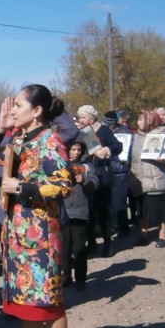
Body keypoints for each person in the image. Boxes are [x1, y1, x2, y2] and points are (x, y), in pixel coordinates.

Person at [0, 85, 73, 328]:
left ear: (37, 110)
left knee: (49, 303)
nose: (13, 110)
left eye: (18, 105)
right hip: (16, 235)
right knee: (26, 304)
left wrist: (23, 188)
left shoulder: (49, 139)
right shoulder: (18, 139)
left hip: (41, 237)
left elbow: (64, 184)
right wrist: (0, 128)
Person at [74, 105, 123, 256]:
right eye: (79, 117)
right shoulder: (80, 132)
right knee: (87, 211)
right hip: (86, 175)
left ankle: (108, 244)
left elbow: (117, 146)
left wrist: (106, 150)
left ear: (91, 118)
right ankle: (91, 243)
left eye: (83, 117)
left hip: (101, 176)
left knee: (102, 211)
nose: (80, 120)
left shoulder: (104, 130)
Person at [128, 110, 165, 247]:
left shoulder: (162, 135)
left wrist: (162, 159)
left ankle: (162, 236)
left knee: (159, 210)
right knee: (140, 209)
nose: (138, 123)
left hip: (155, 178)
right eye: (138, 120)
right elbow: (133, 158)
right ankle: (144, 235)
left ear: (150, 121)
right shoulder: (136, 137)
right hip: (138, 179)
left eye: (141, 120)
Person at [62, 140, 99, 289]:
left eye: (78, 150)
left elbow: (95, 184)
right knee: (64, 248)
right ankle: (65, 277)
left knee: (79, 248)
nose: (76, 152)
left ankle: (81, 279)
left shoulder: (86, 167)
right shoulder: (60, 165)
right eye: (73, 149)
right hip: (63, 211)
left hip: (79, 211)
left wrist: (84, 180)